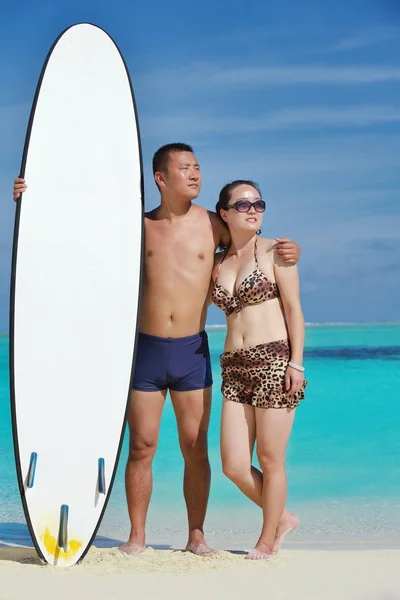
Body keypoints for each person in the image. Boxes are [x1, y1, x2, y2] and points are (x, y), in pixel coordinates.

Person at [13, 144, 301, 556]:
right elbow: (79, 235)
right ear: (160, 178)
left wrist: (292, 251)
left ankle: (196, 536)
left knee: (194, 447)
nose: (195, 174)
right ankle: (136, 536)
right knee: (142, 446)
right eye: (185, 168)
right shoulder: (138, 226)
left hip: (191, 351)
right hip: (144, 349)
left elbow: (252, 243)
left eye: (198, 167)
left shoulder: (213, 225)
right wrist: (34, 201)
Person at [210, 179, 307, 559]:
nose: (253, 210)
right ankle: (282, 518)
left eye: (259, 203)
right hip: (233, 367)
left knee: (270, 459)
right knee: (233, 465)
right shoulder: (217, 261)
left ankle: (267, 541)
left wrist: (295, 363)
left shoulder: (276, 252)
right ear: (224, 213)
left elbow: (294, 310)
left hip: (273, 362)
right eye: (243, 204)